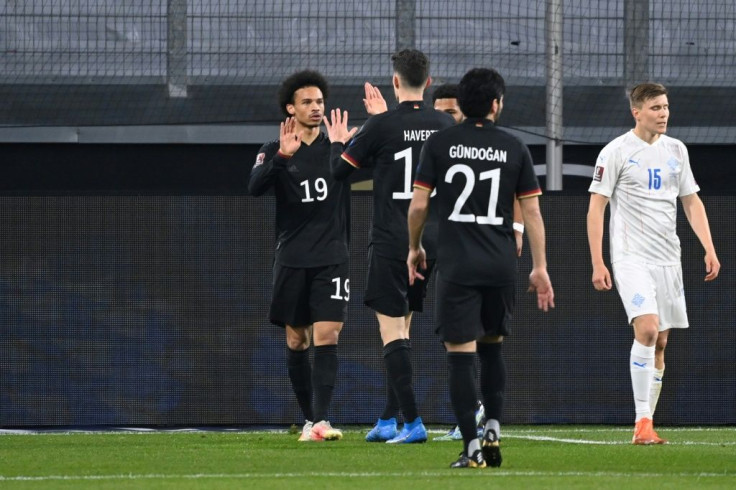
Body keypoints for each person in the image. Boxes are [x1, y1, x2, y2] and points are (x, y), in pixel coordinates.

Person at [407, 67, 555, 468]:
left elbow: (419, 204)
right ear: (496, 104)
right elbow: (533, 213)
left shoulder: (439, 144)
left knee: (459, 354)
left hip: (458, 266)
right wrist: (539, 268)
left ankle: (471, 448)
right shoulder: (514, 147)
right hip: (500, 264)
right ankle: (493, 425)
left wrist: (415, 247)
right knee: (493, 349)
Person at [326, 49, 455, 444]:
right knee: (403, 329)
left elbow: (339, 173)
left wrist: (338, 141)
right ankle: (388, 419)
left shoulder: (380, 126)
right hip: (432, 244)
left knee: (391, 331)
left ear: (395, 82)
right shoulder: (445, 125)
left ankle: (413, 422)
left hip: (391, 241)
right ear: (428, 83)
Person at [587, 82, 720, 445]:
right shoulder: (615, 151)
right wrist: (598, 262)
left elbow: (691, 202)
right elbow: (596, 207)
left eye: (665, 107)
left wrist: (708, 247)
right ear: (637, 112)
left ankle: (647, 422)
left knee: (660, 342)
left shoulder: (676, 150)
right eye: (656, 108)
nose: (663, 114)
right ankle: (642, 422)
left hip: (668, 259)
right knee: (646, 328)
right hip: (631, 257)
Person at [248, 70, 357, 442]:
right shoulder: (273, 148)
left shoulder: (338, 148)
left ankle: (322, 420)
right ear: (290, 108)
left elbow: (365, 168)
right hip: (292, 258)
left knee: (328, 334)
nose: (315, 108)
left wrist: (344, 146)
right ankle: (309, 419)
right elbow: (254, 188)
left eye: (319, 102)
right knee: (297, 341)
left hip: (332, 257)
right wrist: (281, 156)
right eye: (307, 102)